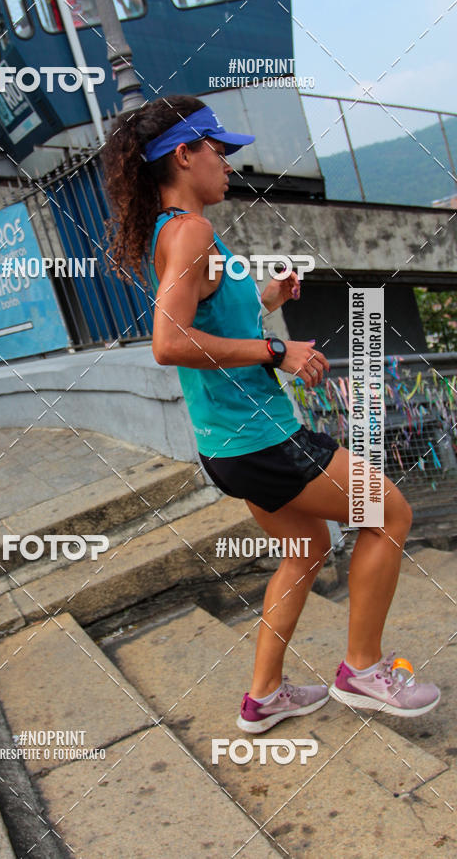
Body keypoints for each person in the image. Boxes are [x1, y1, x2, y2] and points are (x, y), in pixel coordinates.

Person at [101, 94, 440, 733]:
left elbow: (210, 315)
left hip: (229, 447)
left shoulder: (175, 232)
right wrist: (278, 349)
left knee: (305, 549)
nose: (228, 163)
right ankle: (363, 671)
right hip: (262, 439)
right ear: (184, 154)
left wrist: (267, 296)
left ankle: (263, 696)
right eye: (219, 150)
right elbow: (169, 342)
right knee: (390, 512)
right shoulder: (191, 230)